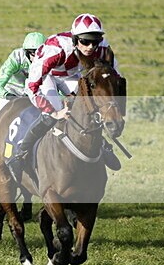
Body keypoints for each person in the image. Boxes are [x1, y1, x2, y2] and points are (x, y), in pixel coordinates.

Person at [8, 13, 122, 178]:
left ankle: (102, 146)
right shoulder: (57, 49)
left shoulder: (103, 47)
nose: (90, 46)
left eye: (94, 41)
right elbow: (32, 87)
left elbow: (116, 77)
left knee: (90, 106)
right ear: (75, 39)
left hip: (70, 76)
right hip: (46, 76)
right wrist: (54, 112)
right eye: (85, 41)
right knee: (55, 111)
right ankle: (20, 154)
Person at [0, 32, 46, 113]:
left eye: (40, 54)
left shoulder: (49, 59)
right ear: (26, 52)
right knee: (2, 114)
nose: (37, 58)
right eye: (33, 53)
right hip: (11, 91)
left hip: (33, 93)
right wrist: (7, 95)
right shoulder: (16, 57)